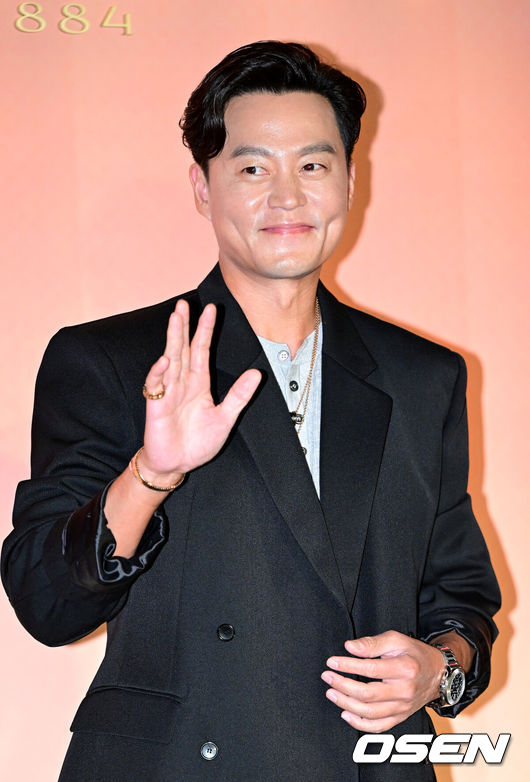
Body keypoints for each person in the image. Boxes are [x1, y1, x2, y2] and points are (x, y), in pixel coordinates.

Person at [2, 41, 500, 782]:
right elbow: (47, 604)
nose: (287, 198)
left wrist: (438, 671)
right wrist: (151, 475)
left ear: (350, 180)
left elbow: (459, 600)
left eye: (313, 166)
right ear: (203, 188)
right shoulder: (113, 359)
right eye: (252, 168)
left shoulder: (422, 378)